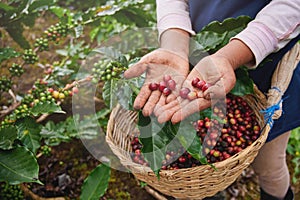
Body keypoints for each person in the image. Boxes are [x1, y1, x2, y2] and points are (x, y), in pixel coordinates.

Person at [124, 1, 300, 199]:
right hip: (195, 63)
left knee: (270, 167)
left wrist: (230, 57)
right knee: (199, 158)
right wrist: (175, 44)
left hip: (267, 70)